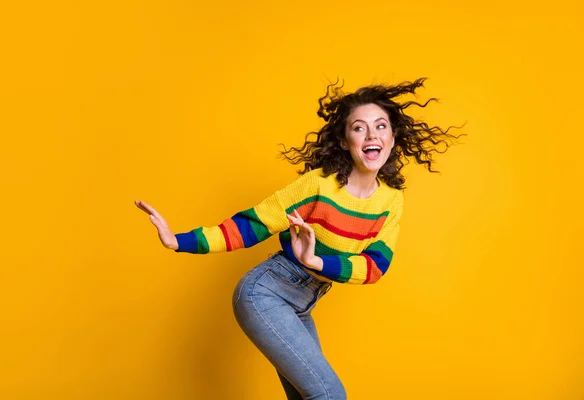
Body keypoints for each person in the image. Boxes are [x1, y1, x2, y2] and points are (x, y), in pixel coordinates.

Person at [135, 77, 461, 399]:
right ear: (345, 140)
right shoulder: (319, 185)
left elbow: (376, 265)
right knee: (330, 395)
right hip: (265, 294)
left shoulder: (391, 200)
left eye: (380, 126)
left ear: (392, 138)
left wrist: (317, 261)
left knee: (310, 396)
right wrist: (179, 241)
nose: (371, 134)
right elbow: (254, 224)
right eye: (359, 127)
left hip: (301, 305)